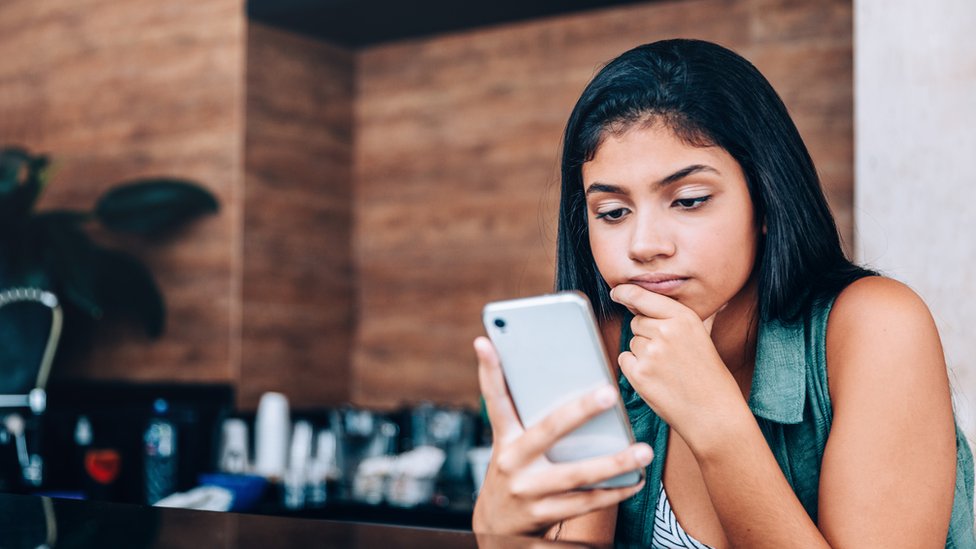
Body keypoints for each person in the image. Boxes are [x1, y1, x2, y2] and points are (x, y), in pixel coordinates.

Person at [471, 39, 975, 547]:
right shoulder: (601, 347)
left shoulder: (875, 328)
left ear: (766, 197)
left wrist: (716, 424)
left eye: (689, 201)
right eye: (613, 213)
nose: (644, 245)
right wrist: (499, 531)